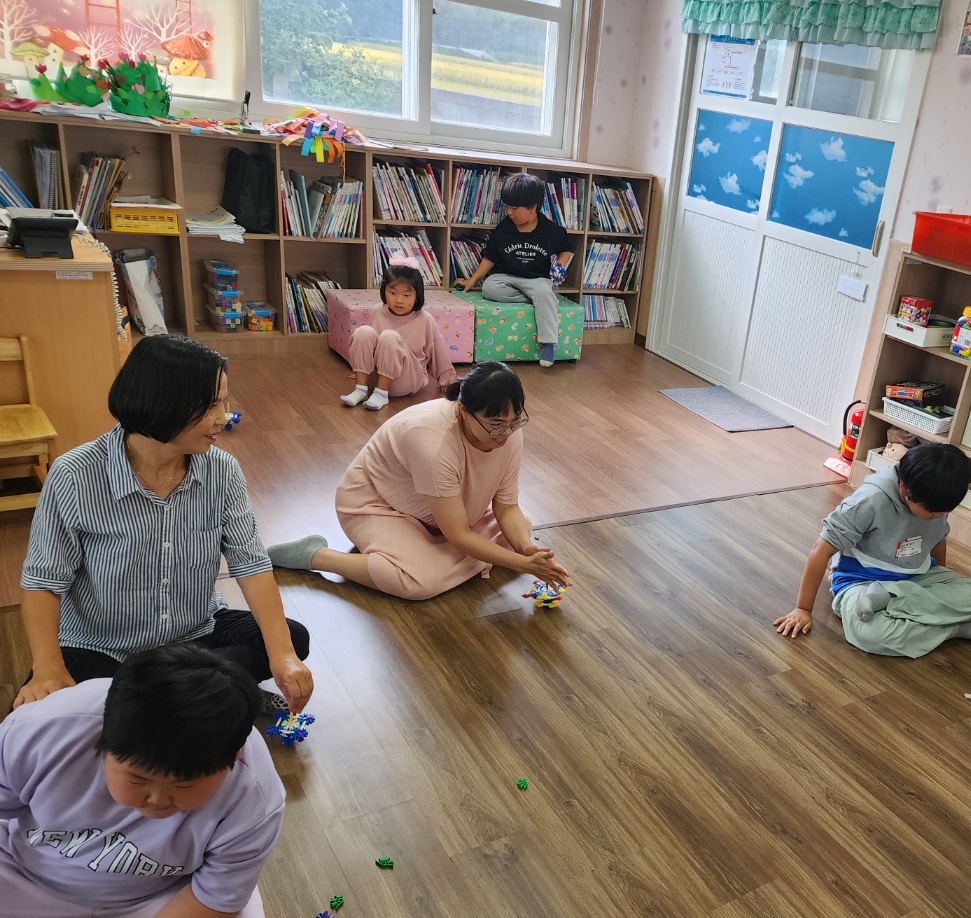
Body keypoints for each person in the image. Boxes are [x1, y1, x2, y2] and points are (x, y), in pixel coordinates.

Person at [0, 645, 282, 918]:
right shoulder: (43, 728)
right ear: (104, 738)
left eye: (184, 785)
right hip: (28, 867)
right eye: (137, 779)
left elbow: (216, 899)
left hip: (160, 894)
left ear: (233, 757)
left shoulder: (255, 794)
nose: (157, 800)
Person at [16, 335, 313, 713]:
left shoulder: (222, 470)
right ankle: (203, 696)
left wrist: (282, 655)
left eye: (223, 402)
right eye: (210, 405)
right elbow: (43, 581)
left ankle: (156, 701)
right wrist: (48, 670)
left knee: (291, 639)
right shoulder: (75, 474)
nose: (224, 417)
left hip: (195, 634)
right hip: (101, 644)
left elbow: (251, 564)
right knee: (34, 715)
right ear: (162, 404)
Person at [267, 362, 569, 601]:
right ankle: (318, 556)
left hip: (445, 512)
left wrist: (525, 550)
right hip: (376, 505)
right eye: (496, 425)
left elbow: (506, 506)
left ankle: (436, 554)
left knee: (521, 527)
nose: (507, 433)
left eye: (515, 421)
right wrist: (520, 564)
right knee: (418, 582)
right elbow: (458, 534)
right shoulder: (433, 442)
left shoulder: (508, 431)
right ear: (464, 411)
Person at [774, 443, 971, 656]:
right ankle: (955, 628)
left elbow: (938, 539)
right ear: (905, 488)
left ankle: (895, 599)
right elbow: (820, 549)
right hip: (861, 581)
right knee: (870, 634)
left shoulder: (937, 497)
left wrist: (938, 587)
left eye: (945, 512)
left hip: (915, 579)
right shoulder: (870, 500)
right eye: (932, 512)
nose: (938, 516)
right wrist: (803, 609)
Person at [452, 173, 574, 367]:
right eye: (507, 206)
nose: (509, 212)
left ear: (533, 207)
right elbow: (490, 257)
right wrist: (471, 280)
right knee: (489, 288)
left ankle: (548, 344)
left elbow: (567, 249)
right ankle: (539, 299)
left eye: (514, 208)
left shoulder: (551, 231)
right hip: (506, 277)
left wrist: (560, 265)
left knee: (543, 292)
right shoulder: (504, 229)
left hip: (536, 279)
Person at [341, 257, 456, 411]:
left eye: (406, 295)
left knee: (389, 336)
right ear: (384, 291)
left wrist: (448, 382)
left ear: (417, 296)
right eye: (393, 293)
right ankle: (361, 389)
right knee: (364, 332)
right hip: (376, 378)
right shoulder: (377, 311)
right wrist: (361, 369)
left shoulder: (425, 319)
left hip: (407, 378)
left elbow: (438, 352)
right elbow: (370, 345)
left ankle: (381, 394)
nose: (399, 300)